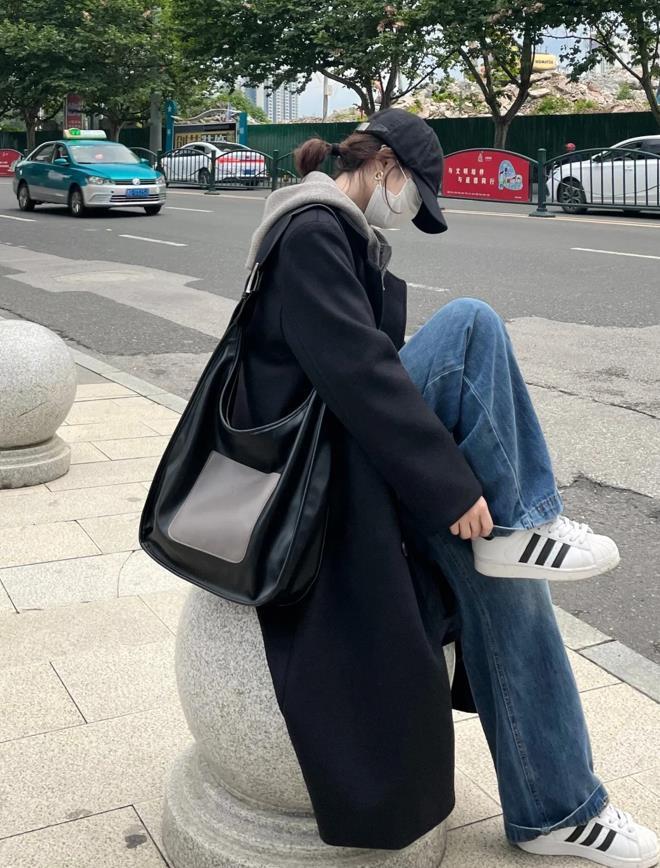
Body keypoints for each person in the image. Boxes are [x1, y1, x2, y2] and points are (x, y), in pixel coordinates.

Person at [234, 108, 658, 866]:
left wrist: (460, 494)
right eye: (414, 195)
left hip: (353, 455)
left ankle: (557, 810)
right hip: (319, 474)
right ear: (384, 166)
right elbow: (358, 377)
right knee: (468, 324)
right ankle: (528, 522)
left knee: (511, 582)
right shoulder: (310, 231)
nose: (410, 211)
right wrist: (451, 490)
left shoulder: (340, 233)